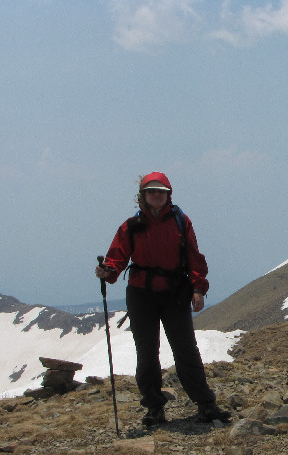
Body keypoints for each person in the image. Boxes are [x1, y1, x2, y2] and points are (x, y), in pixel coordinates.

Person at [95, 171, 231, 427]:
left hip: (173, 293)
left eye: (161, 191)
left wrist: (198, 289)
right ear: (143, 196)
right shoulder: (131, 226)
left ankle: (205, 405)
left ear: (168, 195)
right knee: (147, 353)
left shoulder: (181, 221)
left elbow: (193, 256)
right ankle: (155, 408)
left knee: (186, 350)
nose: (156, 195)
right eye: (151, 191)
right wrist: (108, 270)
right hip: (142, 295)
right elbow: (117, 257)